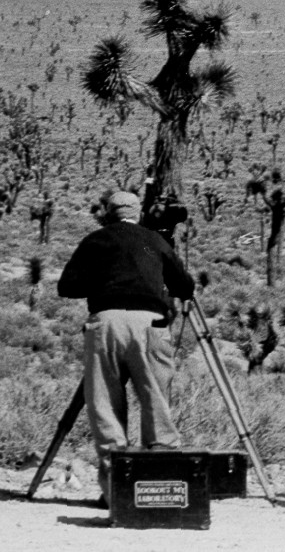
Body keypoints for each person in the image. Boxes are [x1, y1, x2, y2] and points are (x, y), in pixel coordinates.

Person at [57, 189, 195, 503]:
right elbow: (184, 287)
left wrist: (105, 280)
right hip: (150, 324)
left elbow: (67, 286)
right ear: (138, 213)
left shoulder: (96, 240)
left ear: (108, 214)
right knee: (155, 396)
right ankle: (161, 481)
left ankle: (116, 490)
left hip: (106, 323)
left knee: (104, 401)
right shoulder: (154, 241)